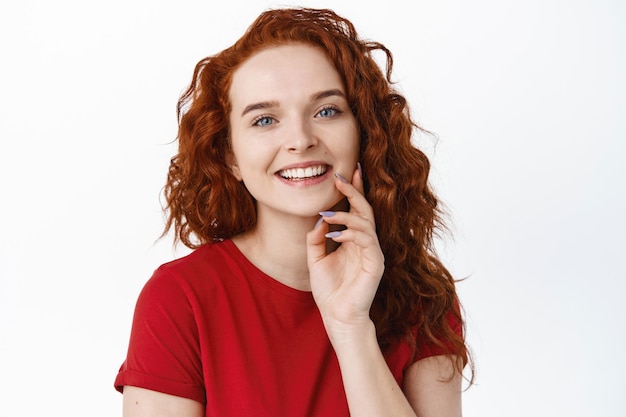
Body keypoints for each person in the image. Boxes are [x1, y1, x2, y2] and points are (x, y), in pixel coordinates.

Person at [114, 6, 473, 417]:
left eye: (326, 111)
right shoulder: (180, 299)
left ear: (365, 131)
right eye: (265, 120)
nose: (300, 140)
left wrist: (351, 326)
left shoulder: (422, 298)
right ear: (229, 154)